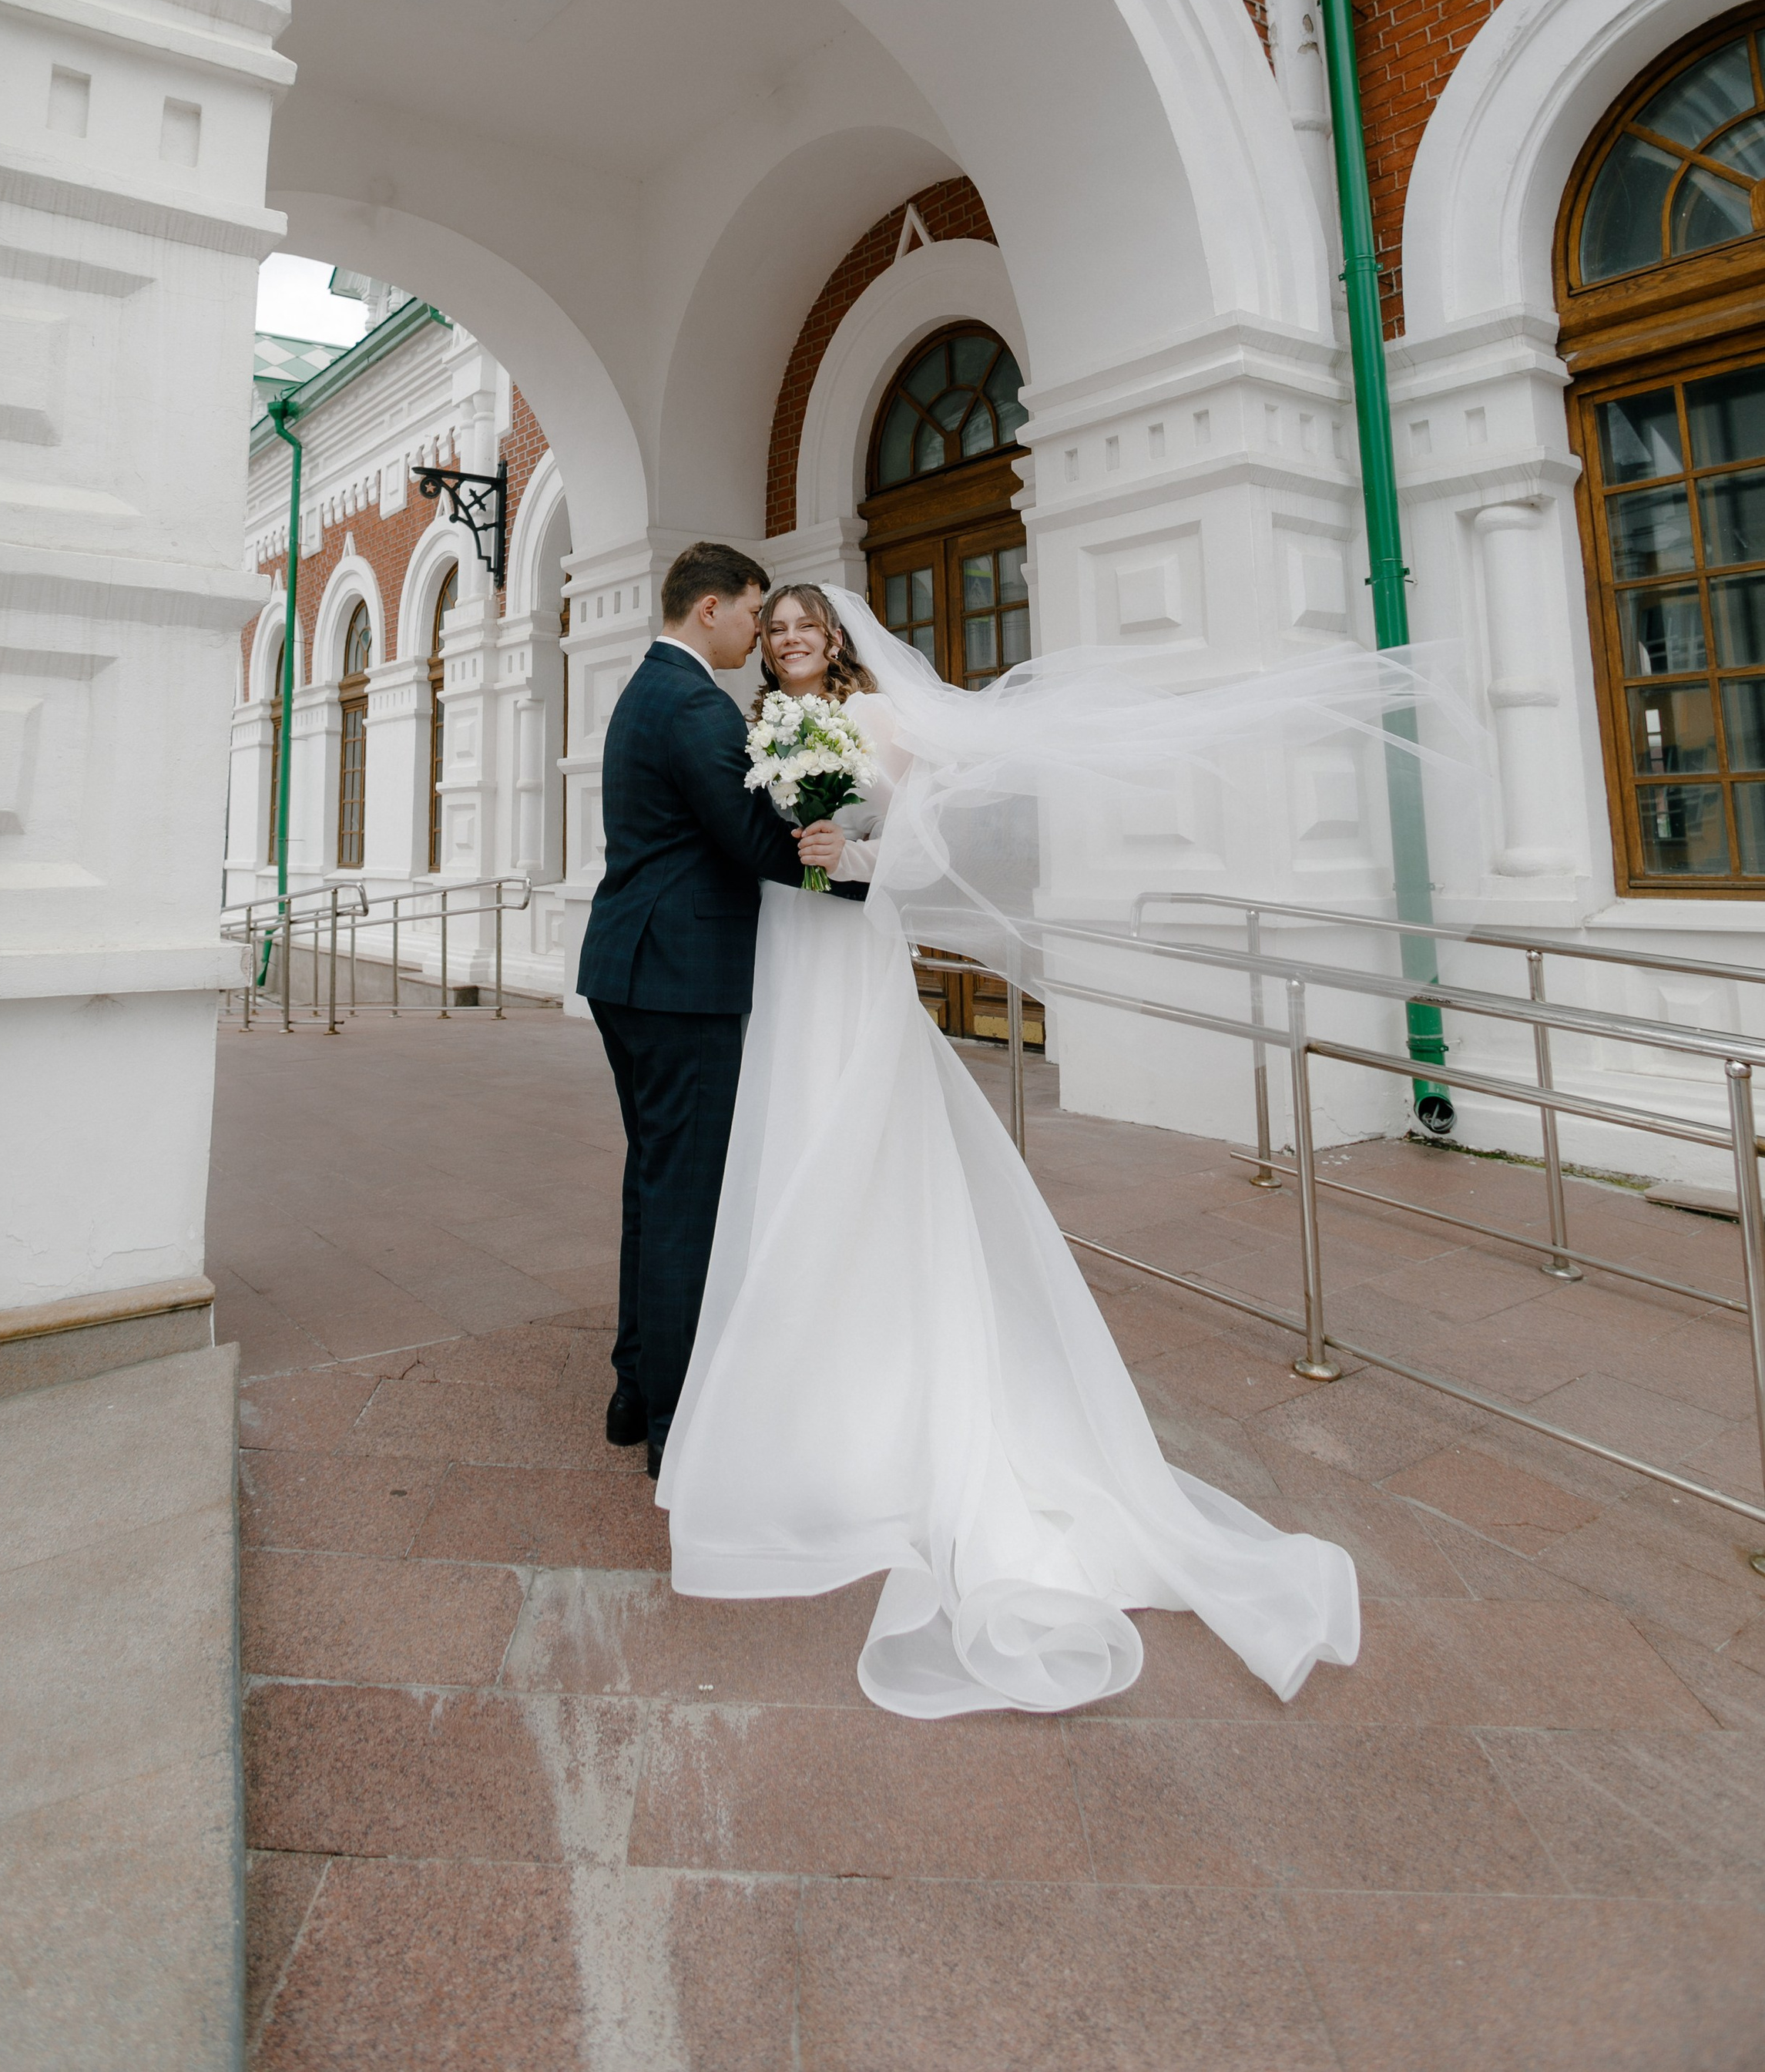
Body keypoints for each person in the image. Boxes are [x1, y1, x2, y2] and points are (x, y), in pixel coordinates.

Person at [655, 579, 1381, 1719]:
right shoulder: (755, 727)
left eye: (807, 629)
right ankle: (798, 1377)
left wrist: (849, 850)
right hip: (783, 956)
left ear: (834, 641)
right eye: (779, 629)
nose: (790, 641)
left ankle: (881, 1385)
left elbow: (919, 847)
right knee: (788, 1142)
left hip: (847, 954)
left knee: (859, 1140)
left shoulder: (882, 721)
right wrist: (796, 850)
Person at [576, 543, 864, 1477]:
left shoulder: (643, 689)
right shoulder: (695, 701)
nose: (758, 630)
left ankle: (633, 1388)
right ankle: (672, 1420)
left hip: (633, 969)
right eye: (751, 613)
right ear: (710, 609)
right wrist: (847, 869)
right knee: (683, 1196)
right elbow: (750, 840)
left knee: (652, 1185)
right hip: (680, 980)